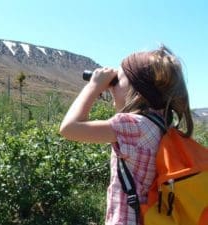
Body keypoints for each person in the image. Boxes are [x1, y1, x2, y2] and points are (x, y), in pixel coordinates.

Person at [59, 45, 193, 225]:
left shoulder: (133, 125)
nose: (111, 87)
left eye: (117, 81)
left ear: (137, 90)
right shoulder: (163, 126)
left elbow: (69, 128)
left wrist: (94, 86)